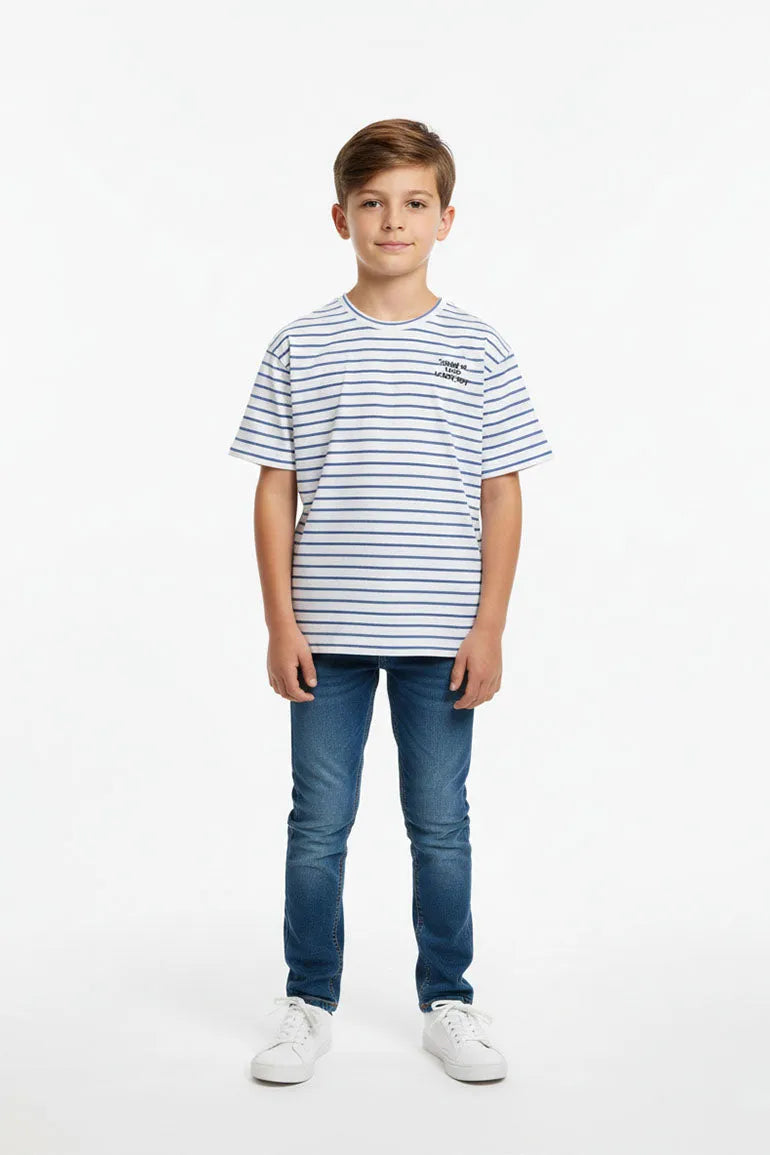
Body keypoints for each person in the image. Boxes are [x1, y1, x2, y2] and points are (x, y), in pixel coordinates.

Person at [228, 118, 554, 1084]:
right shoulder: (301, 344)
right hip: (324, 635)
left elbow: (503, 492)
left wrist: (490, 626)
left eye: (414, 203)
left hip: (440, 636)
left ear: (446, 219)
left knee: (439, 823)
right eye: (372, 203)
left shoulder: (479, 348)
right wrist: (280, 621)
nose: (392, 220)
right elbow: (275, 488)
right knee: (318, 823)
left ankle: (448, 999)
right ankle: (308, 1001)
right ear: (341, 217)